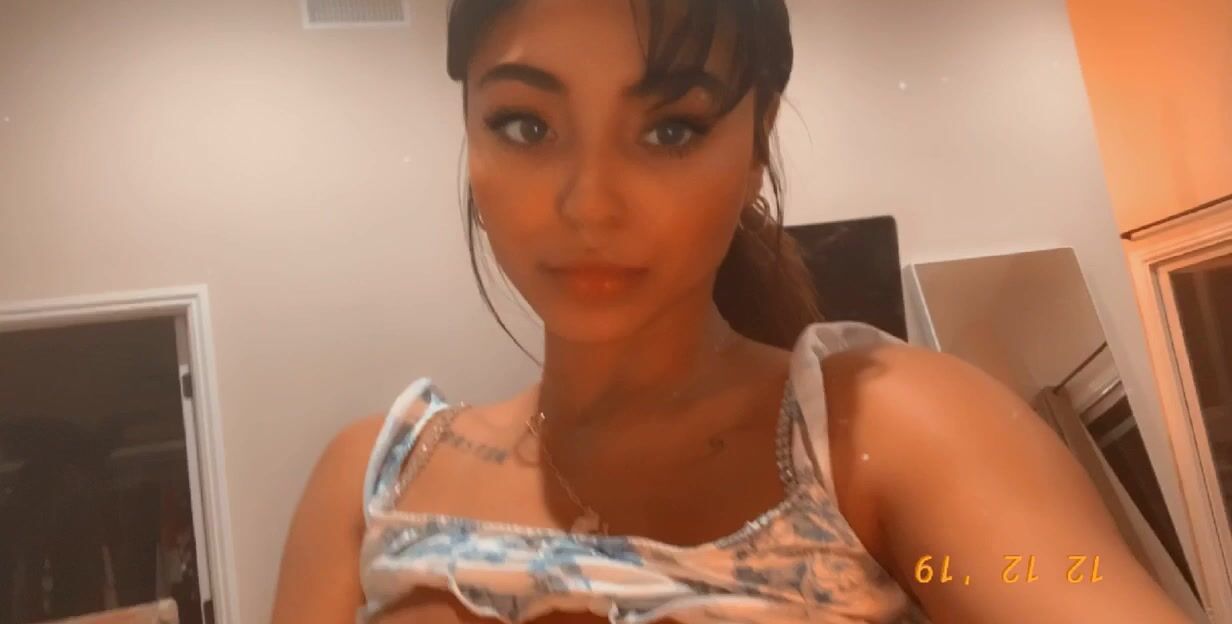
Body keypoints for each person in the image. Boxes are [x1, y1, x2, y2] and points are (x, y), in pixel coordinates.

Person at [272, 1, 1193, 622]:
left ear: (757, 143)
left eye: (670, 128)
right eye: (526, 124)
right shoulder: (374, 478)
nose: (590, 203)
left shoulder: (883, 431)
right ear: (470, 132)